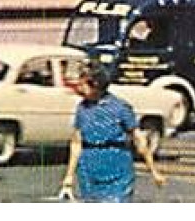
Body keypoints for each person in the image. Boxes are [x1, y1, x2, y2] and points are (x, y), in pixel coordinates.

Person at [60, 62, 165, 202]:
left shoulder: (120, 108)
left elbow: (138, 138)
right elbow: (76, 142)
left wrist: (153, 170)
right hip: (89, 167)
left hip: (116, 166)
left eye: (83, 83)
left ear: (96, 85)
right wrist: (69, 176)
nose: (79, 86)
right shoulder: (82, 108)